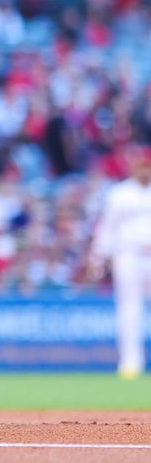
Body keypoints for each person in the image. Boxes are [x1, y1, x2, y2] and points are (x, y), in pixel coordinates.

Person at [89, 146, 151, 378]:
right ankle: (130, 363)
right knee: (129, 311)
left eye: (147, 165)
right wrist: (97, 256)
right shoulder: (119, 193)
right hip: (129, 255)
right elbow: (107, 227)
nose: (144, 170)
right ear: (134, 167)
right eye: (141, 165)